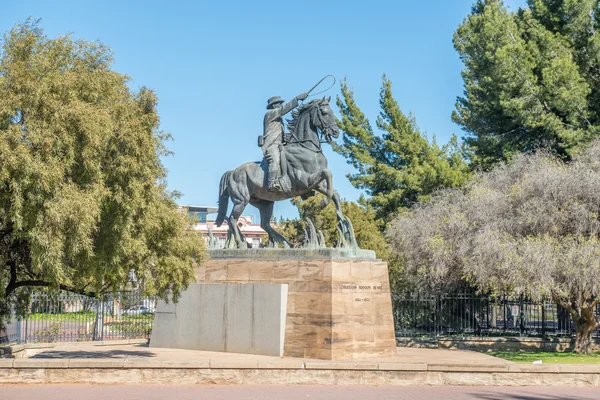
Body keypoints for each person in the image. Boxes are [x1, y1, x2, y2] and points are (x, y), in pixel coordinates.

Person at [262, 92, 309, 192]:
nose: (281, 105)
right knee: (275, 159)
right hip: (272, 145)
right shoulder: (271, 113)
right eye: (279, 103)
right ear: (274, 105)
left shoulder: (278, 120)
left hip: (281, 145)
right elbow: (285, 109)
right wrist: (297, 99)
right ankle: (272, 182)